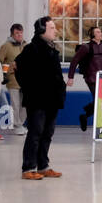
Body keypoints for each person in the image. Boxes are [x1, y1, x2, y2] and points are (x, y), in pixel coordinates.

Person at [15, 16, 66, 181]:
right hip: (37, 100)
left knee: (47, 133)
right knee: (35, 133)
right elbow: (19, 71)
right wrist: (32, 91)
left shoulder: (52, 49)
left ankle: (43, 166)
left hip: (52, 100)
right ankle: (28, 167)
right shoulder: (31, 49)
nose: (55, 30)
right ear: (41, 31)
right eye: (51, 28)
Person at [67, 25, 102, 132]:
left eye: (100, 32)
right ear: (93, 34)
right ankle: (98, 121)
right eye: (98, 32)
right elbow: (74, 61)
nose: (100, 34)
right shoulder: (86, 47)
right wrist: (70, 77)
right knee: (100, 100)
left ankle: (85, 116)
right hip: (91, 78)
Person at [0, 23, 27, 134]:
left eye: (21, 32)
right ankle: (17, 125)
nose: (19, 35)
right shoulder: (6, 46)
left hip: (25, 80)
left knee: (25, 104)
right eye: (17, 33)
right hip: (13, 79)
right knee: (16, 103)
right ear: (12, 34)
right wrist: (3, 74)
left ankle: (21, 124)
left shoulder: (25, 45)